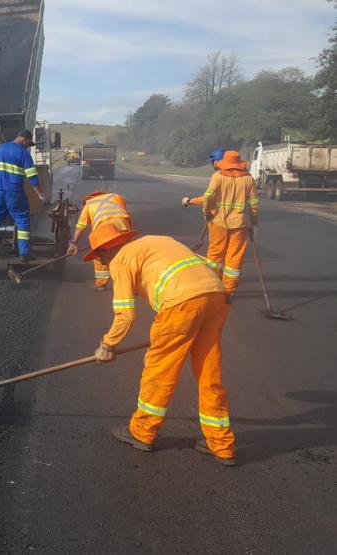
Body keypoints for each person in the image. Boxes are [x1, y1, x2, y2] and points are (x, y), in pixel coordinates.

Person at [87, 223, 236, 466]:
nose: (101, 262)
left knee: (160, 371)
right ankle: (220, 443)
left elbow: (125, 314)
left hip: (181, 304)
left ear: (108, 249)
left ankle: (142, 431)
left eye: (99, 255)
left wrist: (107, 345)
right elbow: (208, 264)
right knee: (209, 373)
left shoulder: (120, 260)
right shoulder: (157, 240)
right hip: (216, 296)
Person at [182, 150, 259, 293]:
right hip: (240, 225)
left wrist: (206, 213)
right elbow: (254, 204)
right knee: (234, 260)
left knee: (215, 257)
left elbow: (208, 197)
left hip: (218, 223)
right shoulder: (249, 179)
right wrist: (254, 223)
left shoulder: (217, 177)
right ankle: (229, 291)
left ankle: (213, 287)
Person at [0, 130, 46, 262]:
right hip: (15, 192)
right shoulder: (23, 154)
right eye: (28, 144)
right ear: (23, 139)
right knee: (22, 220)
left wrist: (0, 180)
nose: (27, 147)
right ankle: (25, 253)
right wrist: (40, 194)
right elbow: (32, 177)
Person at [66, 191, 132, 290]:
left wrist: (74, 243)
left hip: (105, 228)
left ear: (88, 199)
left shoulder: (89, 204)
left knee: (100, 254)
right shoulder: (116, 197)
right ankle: (127, 281)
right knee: (124, 253)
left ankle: (101, 283)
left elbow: (81, 226)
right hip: (124, 226)